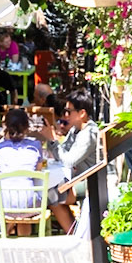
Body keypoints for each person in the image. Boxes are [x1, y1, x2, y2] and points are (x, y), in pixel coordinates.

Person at [47, 92, 102, 231]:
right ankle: (75, 233)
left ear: (82, 113)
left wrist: (53, 140)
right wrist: (51, 139)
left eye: (68, 111)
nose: (65, 116)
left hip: (94, 181)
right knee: (52, 193)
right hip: (82, 179)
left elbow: (68, 161)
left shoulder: (89, 134)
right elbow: (61, 153)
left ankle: (75, 234)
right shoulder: (76, 130)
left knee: (52, 196)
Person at [0, 107, 47, 234]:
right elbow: (38, 171)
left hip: (5, 203)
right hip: (29, 202)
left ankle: (4, 233)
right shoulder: (35, 146)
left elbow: (0, 169)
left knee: (7, 196)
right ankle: (24, 242)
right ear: (27, 127)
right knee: (25, 199)